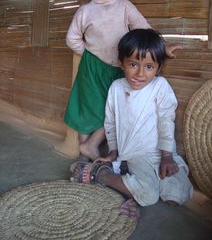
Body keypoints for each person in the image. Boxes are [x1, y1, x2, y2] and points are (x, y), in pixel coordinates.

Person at [64, 0, 181, 161]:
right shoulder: (84, 11)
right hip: (91, 68)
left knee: (114, 106)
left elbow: (144, 29)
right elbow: (72, 38)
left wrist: (162, 48)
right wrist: (89, 55)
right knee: (86, 105)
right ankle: (84, 151)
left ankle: (92, 144)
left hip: (120, 68)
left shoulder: (124, 7)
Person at [70, 28, 193, 208]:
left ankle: (134, 177)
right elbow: (110, 122)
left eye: (149, 67)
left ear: (159, 68)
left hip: (163, 152)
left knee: (176, 194)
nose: (140, 74)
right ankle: (102, 173)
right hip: (135, 155)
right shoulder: (116, 88)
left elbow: (166, 120)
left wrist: (167, 156)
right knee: (148, 196)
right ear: (122, 63)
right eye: (133, 64)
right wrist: (113, 152)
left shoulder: (160, 86)